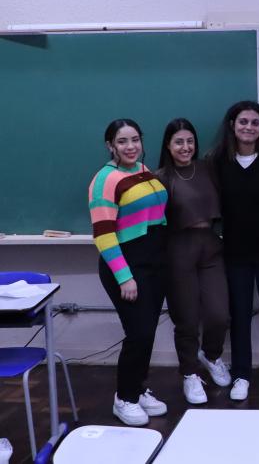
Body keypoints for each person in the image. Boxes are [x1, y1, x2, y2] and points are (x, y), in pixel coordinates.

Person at [88, 119, 169, 426]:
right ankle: (124, 398)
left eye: (135, 139)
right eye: (122, 141)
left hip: (153, 263)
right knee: (139, 334)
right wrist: (125, 276)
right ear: (110, 146)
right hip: (127, 265)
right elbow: (104, 235)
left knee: (146, 334)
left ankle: (138, 387)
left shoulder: (143, 171)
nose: (131, 146)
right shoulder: (105, 180)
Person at [209, 101, 259, 401]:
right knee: (239, 316)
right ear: (232, 124)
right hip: (234, 255)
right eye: (243, 121)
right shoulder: (218, 162)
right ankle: (241, 375)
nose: (248, 127)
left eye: (255, 123)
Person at [157, 118, 231, 405]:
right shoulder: (160, 177)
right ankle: (189, 373)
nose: (185, 147)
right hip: (178, 248)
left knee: (219, 315)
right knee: (186, 319)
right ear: (168, 145)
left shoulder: (209, 168)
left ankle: (211, 355)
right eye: (179, 142)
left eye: (189, 141)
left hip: (211, 245)